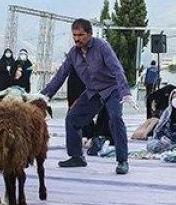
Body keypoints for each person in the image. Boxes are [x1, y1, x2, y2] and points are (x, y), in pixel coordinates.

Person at [40, 19, 136, 175]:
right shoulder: (73, 53)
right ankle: (77, 156)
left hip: (112, 89)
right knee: (72, 118)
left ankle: (122, 160)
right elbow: (61, 75)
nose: (77, 38)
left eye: (81, 35)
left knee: (116, 119)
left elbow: (117, 69)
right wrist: (45, 95)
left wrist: (125, 92)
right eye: (75, 35)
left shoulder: (102, 47)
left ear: (90, 34)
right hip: (93, 92)